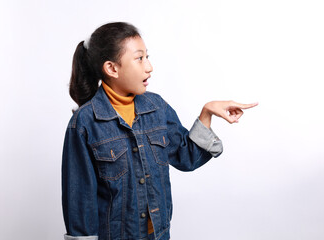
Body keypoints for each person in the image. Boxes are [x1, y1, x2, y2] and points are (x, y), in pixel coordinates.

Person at [62, 22, 258, 240]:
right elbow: (80, 202)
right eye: (139, 58)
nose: (149, 67)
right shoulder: (85, 123)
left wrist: (207, 113)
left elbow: (187, 158)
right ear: (112, 68)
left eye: (147, 57)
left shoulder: (156, 107)